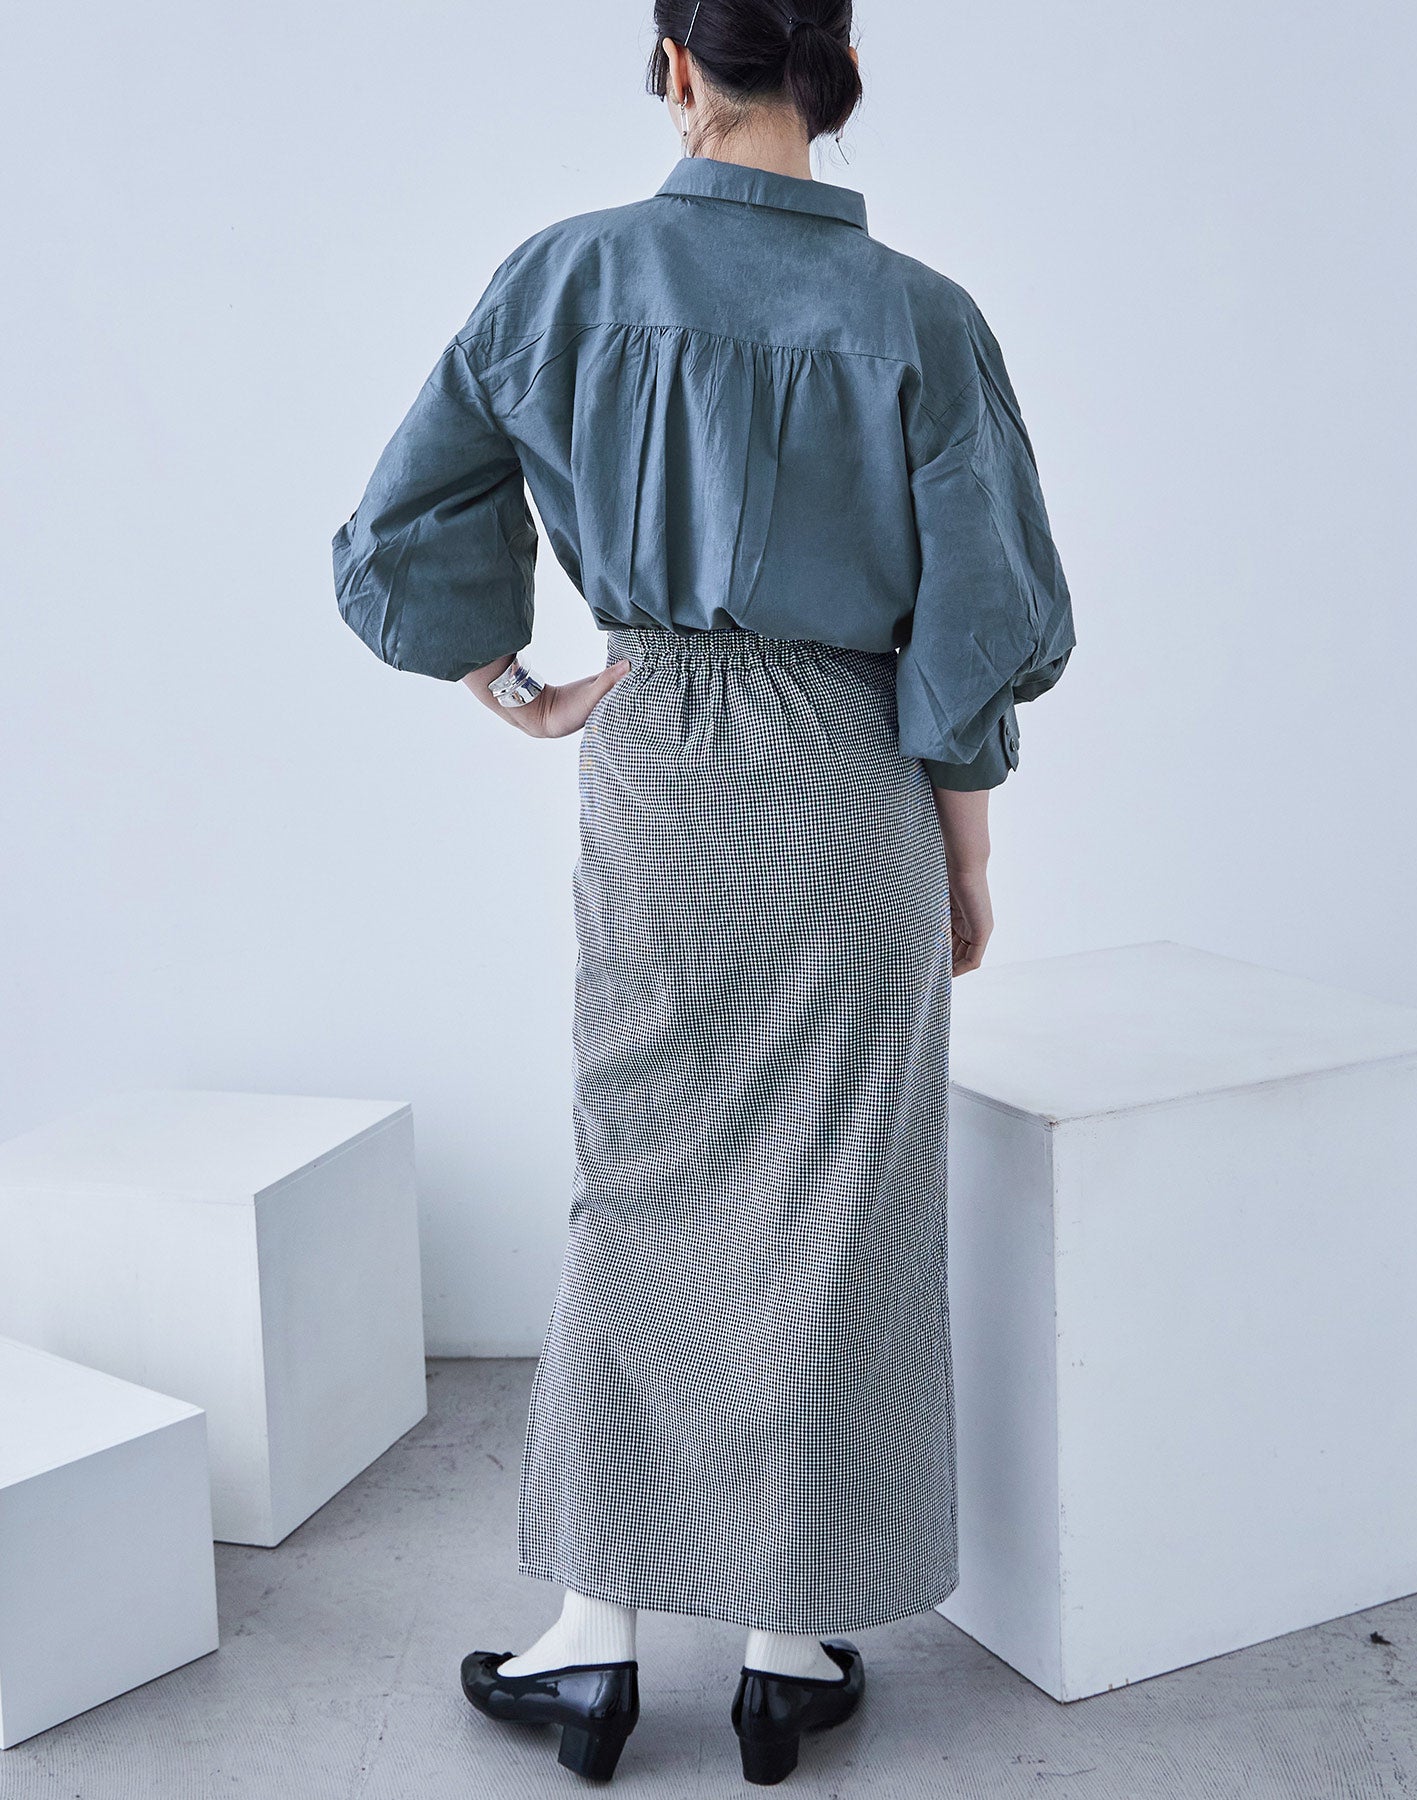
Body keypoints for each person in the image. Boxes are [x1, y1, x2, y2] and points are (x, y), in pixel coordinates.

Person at [331, 0, 1075, 1784]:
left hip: (662, 767)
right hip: (854, 788)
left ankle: (591, 1650)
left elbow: (406, 522)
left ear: (676, 65)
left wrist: (512, 681)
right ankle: (782, 1653)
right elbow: (979, 620)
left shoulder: (564, 279)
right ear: (837, 69)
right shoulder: (923, 318)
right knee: (837, 1204)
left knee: (640, 1183)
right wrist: (965, 847)